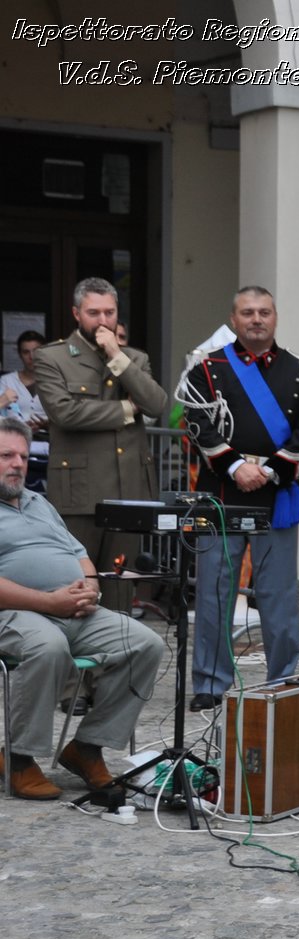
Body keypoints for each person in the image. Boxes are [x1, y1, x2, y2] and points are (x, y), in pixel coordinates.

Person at [0, 417, 164, 799]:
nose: (18, 464)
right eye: (7, 455)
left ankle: (87, 748)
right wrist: (49, 601)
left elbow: (79, 555)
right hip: (15, 612)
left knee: (144, 643)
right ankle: (20, 757)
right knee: (48, 647)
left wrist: (89, 590)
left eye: (23, 456)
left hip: (71, 609)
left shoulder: (38, 502)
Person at [175, 287, 299, 711]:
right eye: (247, 313)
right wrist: (237, 467)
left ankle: (283, 680)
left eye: (264, 312)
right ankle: (209, 683)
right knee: (213, 594)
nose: (256, 319)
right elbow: (198, 423)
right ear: (234, 319)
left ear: (275, 317)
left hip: (277, 496)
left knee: (278, 597)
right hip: (220, 493)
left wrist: (270, 471)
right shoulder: (208, 368)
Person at [31, 277, 170, 610]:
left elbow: (155, 404)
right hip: (79, 491)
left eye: (110, 312)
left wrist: (115, 354)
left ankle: (120, 660)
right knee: (77, 585)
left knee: (120, 588)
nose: (103, 320)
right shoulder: (53, 357)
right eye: (94, 312)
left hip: (130, 491)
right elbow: (65, 413)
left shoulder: (134, 358)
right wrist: (125, 409)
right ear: (77, 313)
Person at [2, 330, 49, 492]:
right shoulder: (6, 381)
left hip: (48, 446)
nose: (31, 357)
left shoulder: (55, 381)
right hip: (14, 448)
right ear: (19, 354)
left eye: (36, 351)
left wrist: (49, 424)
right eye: (26, 352)